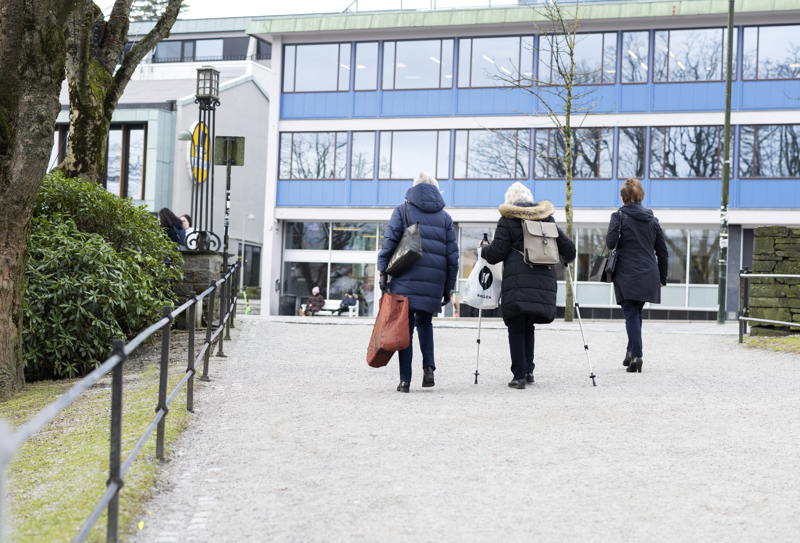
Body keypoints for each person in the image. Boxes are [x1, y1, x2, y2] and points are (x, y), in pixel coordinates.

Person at [481, 182, 576, 390]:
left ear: (510, 201)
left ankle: (519, 376)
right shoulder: (546, 218)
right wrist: (567, 258)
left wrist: (483, 249)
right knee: (528, 326)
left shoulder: (507, 220)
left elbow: (496, 253)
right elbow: (569, 248)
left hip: (517, 281)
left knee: (516, 325)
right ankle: (529, 370)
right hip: (543, 281)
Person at [377, 172, 458, 393]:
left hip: (405, 277)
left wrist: (382, 272)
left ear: (414, 188)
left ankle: (405, 381)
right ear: (435, 189)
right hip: (434, 280)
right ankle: (429, 367)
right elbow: (453, 255)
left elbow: (389, 243)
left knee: (405, 328)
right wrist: (448, 286)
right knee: (425, 323)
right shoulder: (445, 218)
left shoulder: (402, 210)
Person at [606, 178, 668, 374]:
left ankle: (637, 357)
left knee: (631, 313)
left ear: (623, 198)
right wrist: (662, 277)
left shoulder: (618, 216)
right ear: (641, 196)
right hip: (649, 272)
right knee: (636, 312)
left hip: (626, 272)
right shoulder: (652, 220)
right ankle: (631, 350)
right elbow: (663, 251)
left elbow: (610, 243)